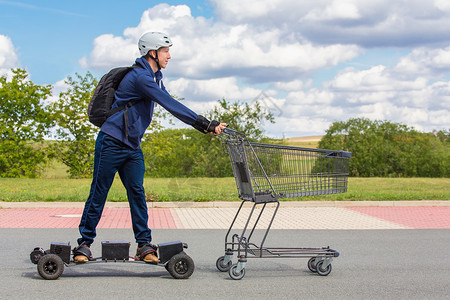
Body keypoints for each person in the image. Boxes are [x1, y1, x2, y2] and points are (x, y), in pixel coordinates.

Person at [73, 32, 227, 264]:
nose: (170, 56)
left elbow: (167, 99)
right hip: (111, 141)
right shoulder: (140, 78)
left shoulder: (154, 78)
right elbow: (170, 104)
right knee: (99, 192)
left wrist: (204, 124)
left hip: (132, 147)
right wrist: (204, 124)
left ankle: (144, 245)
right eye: (166, 51)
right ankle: (84, 244)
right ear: (152, 53)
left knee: (137, 193)